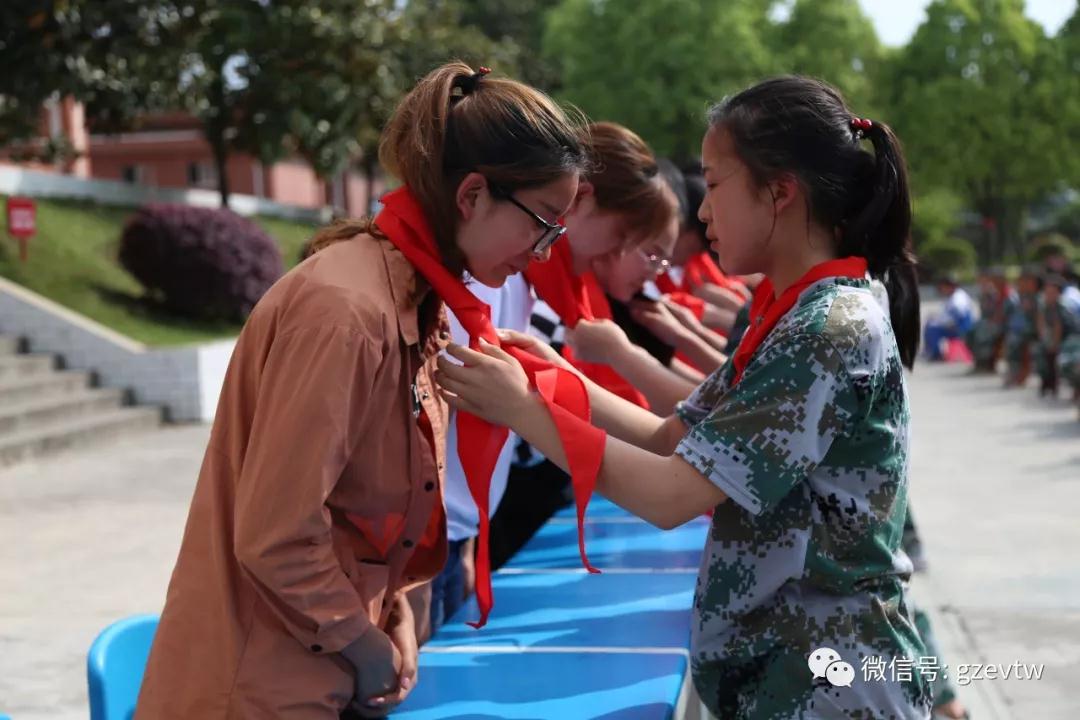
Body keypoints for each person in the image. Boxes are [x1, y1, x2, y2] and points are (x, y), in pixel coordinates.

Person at [438, 76, 932, 718]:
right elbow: (676, 434)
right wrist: (554, 376)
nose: (701, 211)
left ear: (779, 192)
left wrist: (521, 411)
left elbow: (671, 493)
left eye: (715, 182)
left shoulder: (827, 329)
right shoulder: (795, 312)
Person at [134, 62, 588, 719]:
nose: (544, 252)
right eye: (542, 222)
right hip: (257, 687)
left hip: (320, 674)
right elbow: (277, 532)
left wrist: (394, 608)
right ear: (472, 196)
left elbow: (365, 519)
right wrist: (361, 641)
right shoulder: (347, 311)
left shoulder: (413, 299)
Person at [923, 275, 974, 361]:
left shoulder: (958, 298)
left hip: (961, 328)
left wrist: (939, 322)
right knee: (931, 324)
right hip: (955, 326)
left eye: (942, 287)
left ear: (948, 286)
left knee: (932, 329)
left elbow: (958, 317)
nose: (941, 290)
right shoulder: (953, 295)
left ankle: (937, 354)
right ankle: (931, 351)